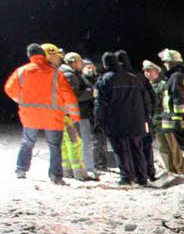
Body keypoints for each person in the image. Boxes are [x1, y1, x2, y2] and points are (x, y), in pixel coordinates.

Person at [4, 43, 80, 184]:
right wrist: (74, 115)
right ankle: (56, 177)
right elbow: (69, 96)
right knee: (55, 147)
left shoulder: (22, 71)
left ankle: (21, 169)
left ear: (29, 56)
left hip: (30, 116)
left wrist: (20, 100)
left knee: (27, 143)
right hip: (53, 117)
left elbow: (9, 88)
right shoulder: (56, 73)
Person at [95, 50, 148, 186]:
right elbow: (145, 99)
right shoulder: (134, 78)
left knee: (120, 149)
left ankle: (126, 177)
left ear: (105, 64)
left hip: (117, 121)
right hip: (137, 120)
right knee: (137, 148)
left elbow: (100, 103)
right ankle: (141, 177)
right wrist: (147, 116)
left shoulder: (105, 80)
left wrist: (99, 120)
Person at [158, 48, 184, 178]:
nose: (164, 64)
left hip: (182, 120)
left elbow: (178, 98)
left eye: (166, 62)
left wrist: (177, 117)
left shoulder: (175, 77)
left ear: (172, 63)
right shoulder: (177, 76)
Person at [59, 52, 98, 181]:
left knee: (67, 143)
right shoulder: (70, 75)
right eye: (80, 62)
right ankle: (82, 171)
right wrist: (91, 92)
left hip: (65, 114)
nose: (82, 64)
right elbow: (73, 96)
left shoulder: (64, 72)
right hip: (75, 114)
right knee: (79, 142)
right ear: (74, 62)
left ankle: (68, 170)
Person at [142, 59, 184, 176]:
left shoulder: (163, 85)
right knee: (163, 148)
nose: (147, 73)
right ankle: (171, 170)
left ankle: (181, 169)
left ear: (156, 72)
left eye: (149, 71)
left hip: (166, 119)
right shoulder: (146, 87)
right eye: (145, 71)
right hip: (155, 121)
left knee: (174, 146)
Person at [82, 59, 109, 175]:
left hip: (100, 113)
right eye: (87, 66)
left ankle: (102, 164)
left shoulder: (99, 78)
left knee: (101, 139)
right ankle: (94, 164)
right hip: (87, 113)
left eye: (91, 66)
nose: (90, 68)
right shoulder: (81, 79)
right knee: (91, 140)